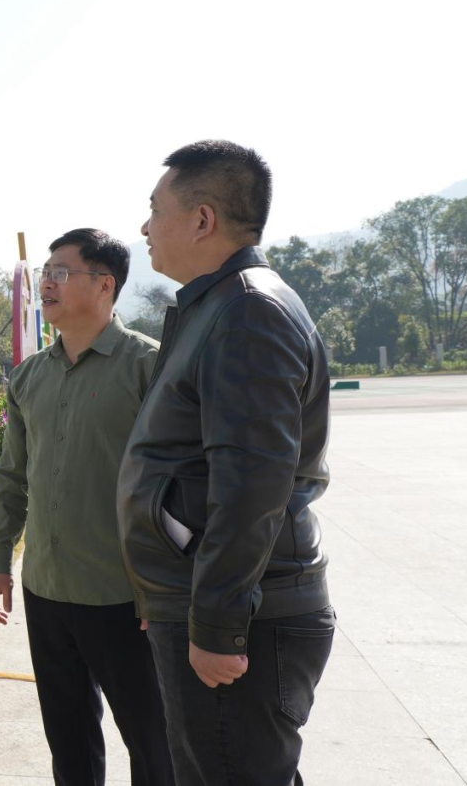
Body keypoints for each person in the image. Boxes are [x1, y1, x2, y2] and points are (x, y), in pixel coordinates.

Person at [117, 140, 334, 785]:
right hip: (207, 599)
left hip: (244, 616)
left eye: (155, 209)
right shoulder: (216, 306)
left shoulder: (247, 312)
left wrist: (217, 624)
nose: (145, 227)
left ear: (202, 219)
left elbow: (251, 486)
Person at [0, 228, 174, 786]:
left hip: (125, 597)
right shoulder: (28, 376)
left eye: (62, 272)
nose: (47, 283)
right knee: (68, 741)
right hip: (46, 589)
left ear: (105, 284)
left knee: (153, 740)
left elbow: (179, 484)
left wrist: (164, 586)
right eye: (46, 273)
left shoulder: (149, 367)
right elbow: (11, 476)